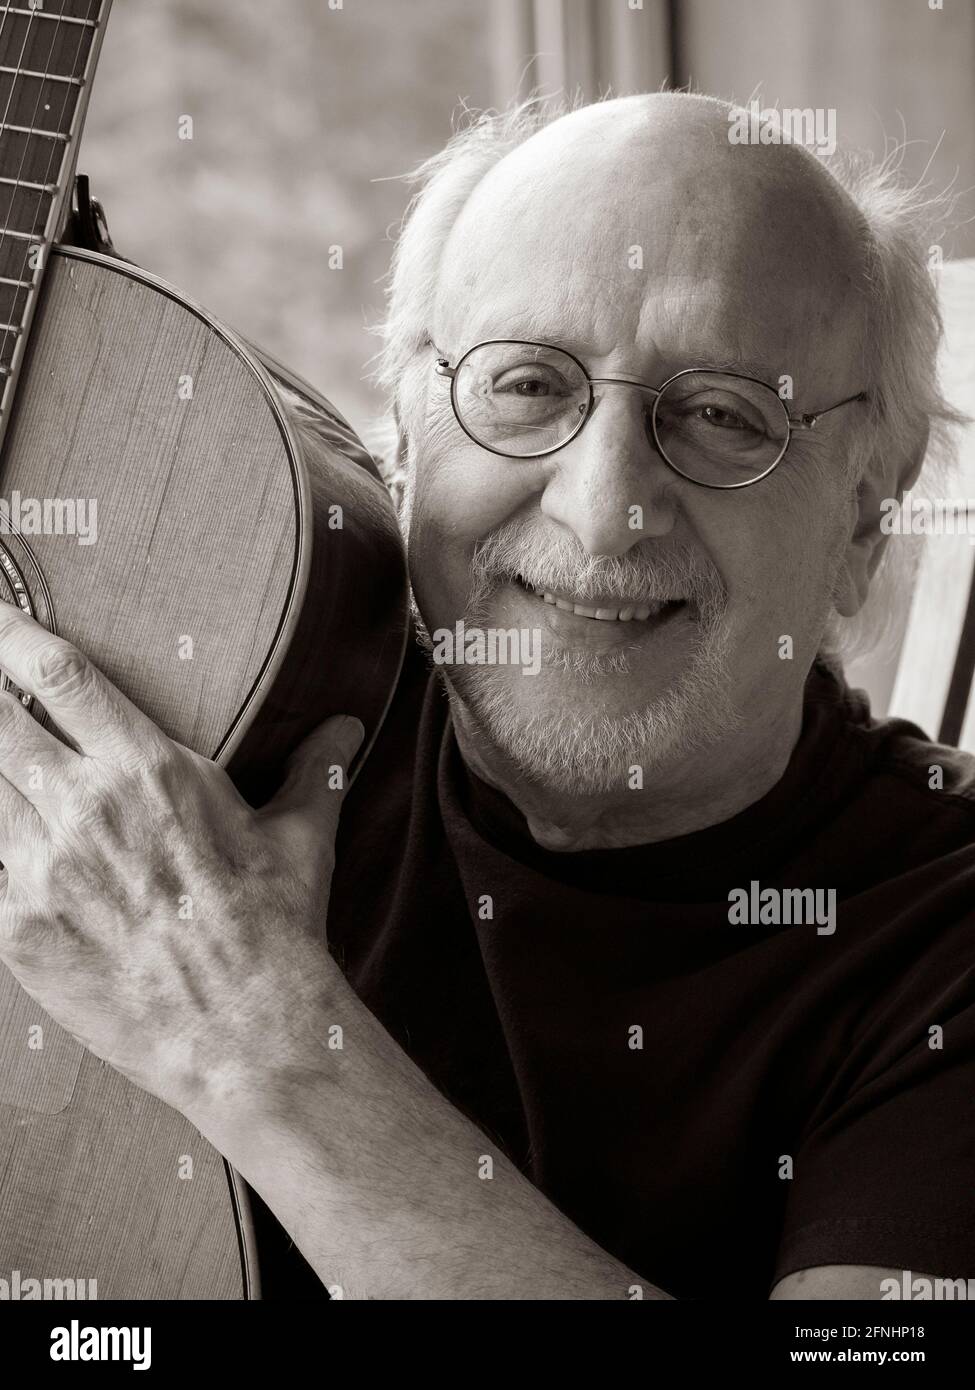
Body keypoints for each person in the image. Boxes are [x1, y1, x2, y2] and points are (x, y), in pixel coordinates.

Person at [0, 92, 971, 1301]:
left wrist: (254, 1033)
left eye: (727, 416)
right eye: (526, 386)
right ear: (402, 433)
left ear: (868, 520)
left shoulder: (950, 940)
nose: (602, 506)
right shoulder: (223, 704)